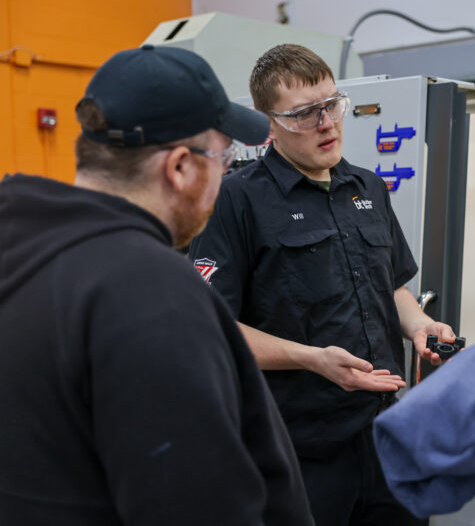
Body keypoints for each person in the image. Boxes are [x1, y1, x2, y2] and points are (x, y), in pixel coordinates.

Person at [0, 44, 313, 526]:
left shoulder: (13, 247)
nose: (225, 176)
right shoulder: (150, 292)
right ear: (181, 167)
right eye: (223, 157)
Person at [188, 43, 455, 525]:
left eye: (332, 105)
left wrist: (419, 325)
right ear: (268, 122)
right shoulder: (235, 201)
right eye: (305, 114)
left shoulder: (369, 188)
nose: (327, 123)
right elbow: (212, 330)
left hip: (383, 435)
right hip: (296, 449)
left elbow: (391, 285)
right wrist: (311, 359)